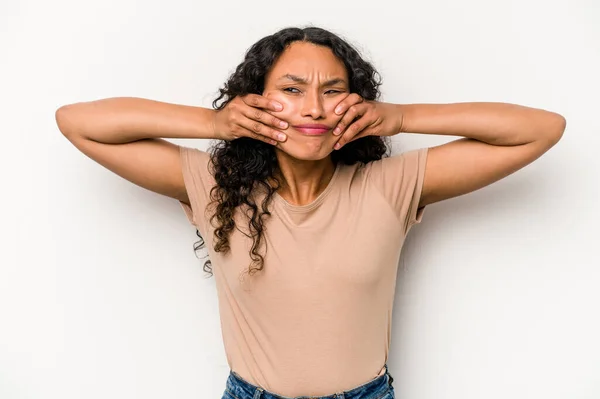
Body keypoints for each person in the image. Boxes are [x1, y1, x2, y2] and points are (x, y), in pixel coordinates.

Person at [55, 26, 566, 399]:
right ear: (257, 100)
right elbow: (78, 122)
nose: (315, 110)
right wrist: (216, 124)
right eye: (292, 90)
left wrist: (404, 117)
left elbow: (542, 129)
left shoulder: (390, 185)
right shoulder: (214, 185)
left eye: (333, 91)